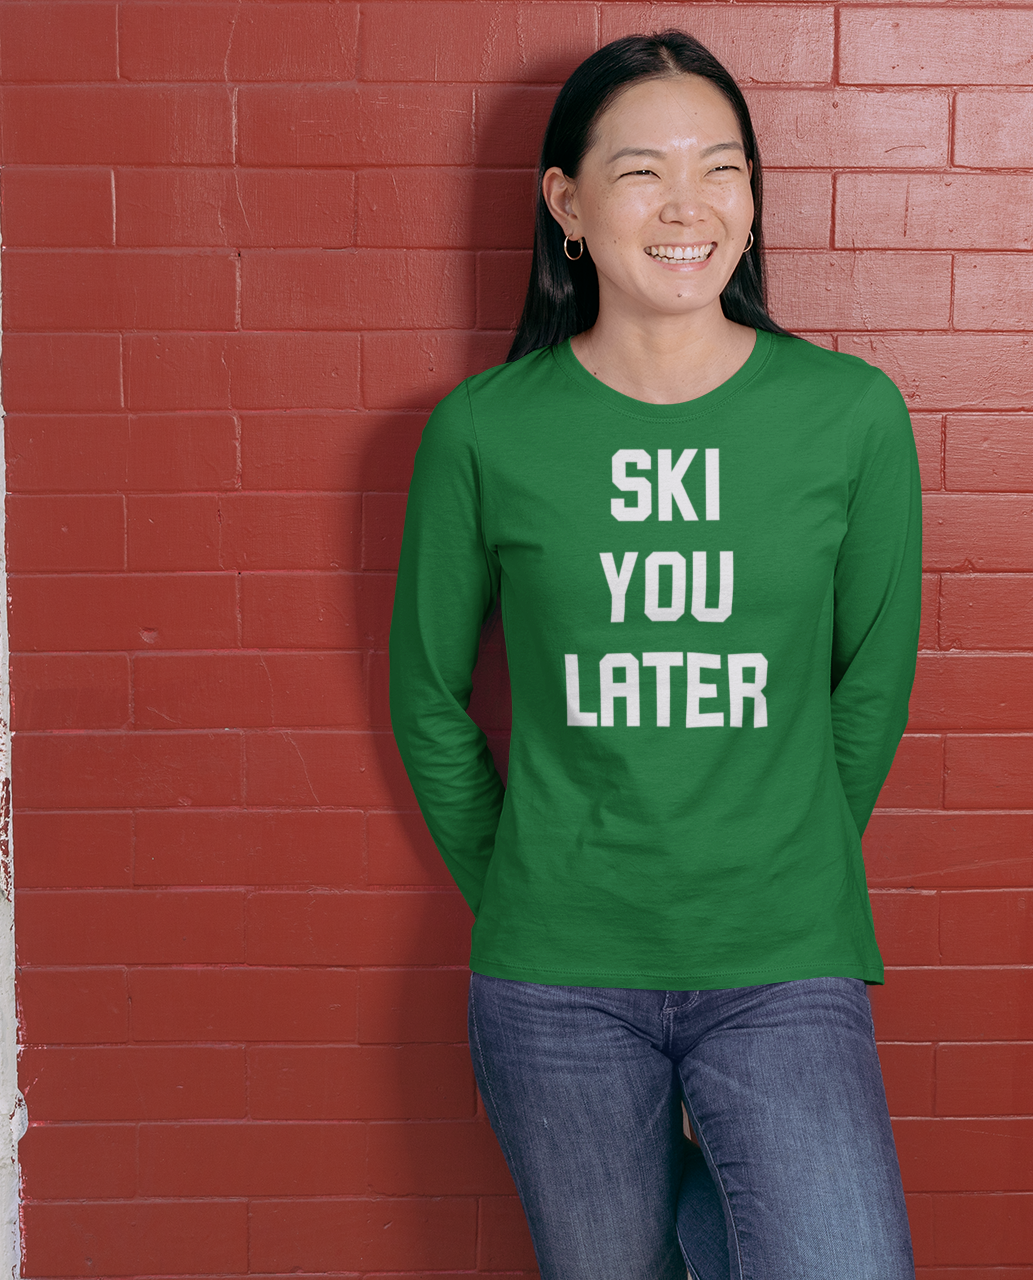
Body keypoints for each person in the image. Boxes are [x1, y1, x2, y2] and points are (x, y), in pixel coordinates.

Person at [387, 29, 921, 1280]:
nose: (688, 206)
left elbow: (871, 681)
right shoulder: (484, 431)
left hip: (780, 958)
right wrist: (520, 883)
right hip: (556, 978)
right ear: (566, 204)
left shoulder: (848, 415)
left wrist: (784, 855)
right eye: (640, 171)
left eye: (719, 167)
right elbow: (426, 694)